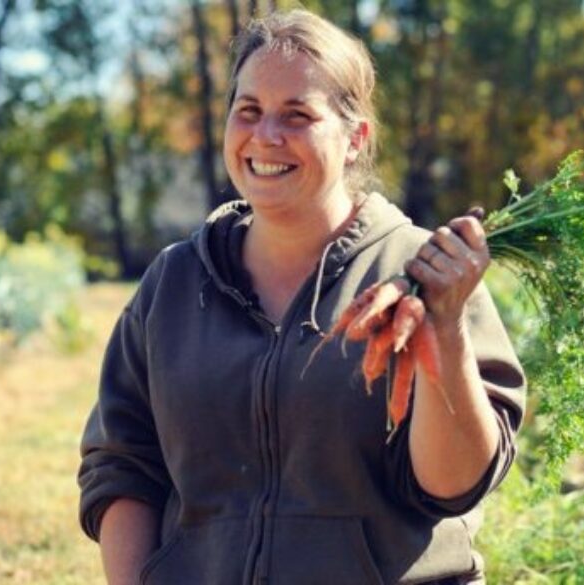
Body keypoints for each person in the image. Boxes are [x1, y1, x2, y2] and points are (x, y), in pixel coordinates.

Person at [77, 9, 525, 585]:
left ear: (354, 138)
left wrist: (446, 329)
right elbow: (124, 465)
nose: (266, 136)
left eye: (297, 115)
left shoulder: (422, 276)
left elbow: (455, 483)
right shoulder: (174, 283)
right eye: (250, 111)